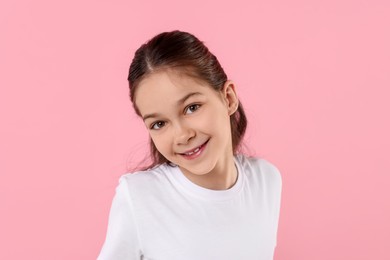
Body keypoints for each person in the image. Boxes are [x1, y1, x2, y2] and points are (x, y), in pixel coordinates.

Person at [97, 30, 282, 260]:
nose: (182, 135)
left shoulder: (267, 181)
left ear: (229, 98)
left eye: (192, 108)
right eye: (159, 123)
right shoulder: (138, 198)